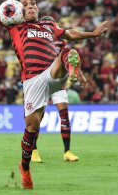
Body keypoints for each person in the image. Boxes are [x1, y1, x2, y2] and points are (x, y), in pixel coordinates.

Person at [0, 0, 107, 189]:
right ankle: (25, 167)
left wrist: (93, 34)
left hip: (53, 73)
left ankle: (73, 71)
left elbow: (71, 33)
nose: (31, 7)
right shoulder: (15, 25)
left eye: (33, 3)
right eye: (26, 4)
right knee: (32, 127)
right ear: (20, 10)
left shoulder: (49, 25)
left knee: (68, 51)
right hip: (32, 81)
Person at [31, 16, 81, 163]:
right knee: (37, 118)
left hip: (58, 83)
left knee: (64, 115)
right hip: (42, 82)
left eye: (52, 25)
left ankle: (67, 152)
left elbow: (69, 60)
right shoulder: (37, 40)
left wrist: (78, 74)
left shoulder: (62, 42)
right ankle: (34, 151)